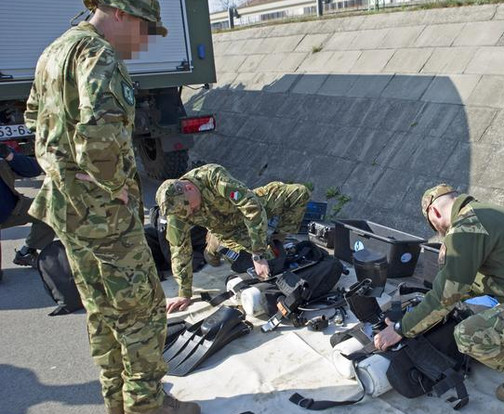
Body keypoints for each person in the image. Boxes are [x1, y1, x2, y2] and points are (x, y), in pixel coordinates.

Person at [24, 1, 199, 413]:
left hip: (69, 211)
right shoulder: (98, 54)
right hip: (103, 214)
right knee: (143, 311)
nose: (142, 43)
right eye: (143, 29)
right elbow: (100, 131)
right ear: (119, 13)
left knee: (102, 310)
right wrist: (114, 184)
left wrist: (64, 168)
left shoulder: (55, 51)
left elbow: (35, 118)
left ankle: (119, 401)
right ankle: (148, 405)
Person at [373, 184, 504, 403]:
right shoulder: (491, 213)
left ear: (435, 213)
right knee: (496, 323)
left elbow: (445, 296)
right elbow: (479, 281)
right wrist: (419, 313)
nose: (440, 234)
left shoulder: (465, 228)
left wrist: (402, 329)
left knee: (469, 335)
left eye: (435, 228)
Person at [155, 163, 310, 313]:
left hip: (244, 212)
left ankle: (279, 241)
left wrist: (258, 253)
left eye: (192, 209)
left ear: (189, 188)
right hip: (227, 232)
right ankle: (214, 245)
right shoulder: (178, 210)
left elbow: (252, 206)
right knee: (269, 267)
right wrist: (184, 293)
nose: (191, 213)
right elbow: (179, 249)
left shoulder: (212, 176)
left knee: (299, 193)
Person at [0, 143, 56, 268]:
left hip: (12, 210)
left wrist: (9, 155)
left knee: (50, 208)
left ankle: (27, 252)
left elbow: (34, 169)